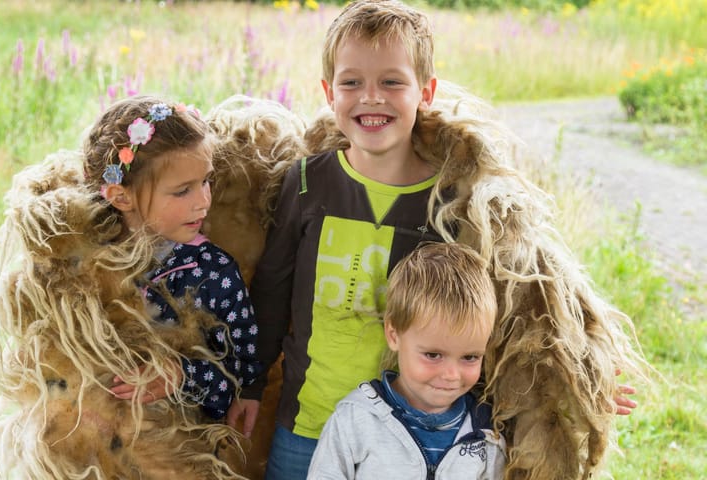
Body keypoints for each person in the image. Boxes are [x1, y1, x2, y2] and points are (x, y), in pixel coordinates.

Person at [226, 1, 640, 478]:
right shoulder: (305, 183)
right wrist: (251, 385)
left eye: (392, 82)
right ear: (328, 92)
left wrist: (574, 378)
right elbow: (271, 293)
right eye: (352, 82)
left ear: (426, 92)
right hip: (308, 425)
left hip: (412, 439)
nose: (371, 97)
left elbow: (509, 313)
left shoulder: (453, 202)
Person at [82, 95, 262, 419]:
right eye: (183, 191)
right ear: (121, 197)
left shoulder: (214, 272)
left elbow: (242, 374)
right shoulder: (87, 264)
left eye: (206, 181)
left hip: (179, 437)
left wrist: (183, 375)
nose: (203, 201)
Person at [307, 242, 506, 479]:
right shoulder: (356, 419)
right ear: (394, 335)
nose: (452, 375)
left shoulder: (487, 434)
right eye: (433, 355)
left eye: (470, 357)